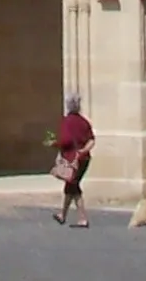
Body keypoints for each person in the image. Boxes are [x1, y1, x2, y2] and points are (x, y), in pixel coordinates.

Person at [52, 96, 94, 227]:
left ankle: (82, 218)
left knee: (73, 187)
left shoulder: (67, 122)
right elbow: (92, 140)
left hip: (71, 159)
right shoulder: (84, 122)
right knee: (70, 186)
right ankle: (62, 215)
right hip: (83, 159)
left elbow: (65, 140)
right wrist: (83, 151)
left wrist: (54, 144)